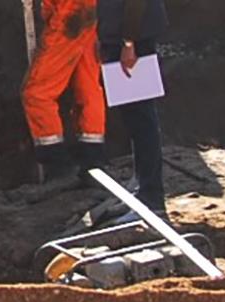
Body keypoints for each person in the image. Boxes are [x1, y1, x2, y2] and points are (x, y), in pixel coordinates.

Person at [97, 0, 169, 216]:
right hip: (121, 37)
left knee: (141, 119)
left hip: (132, 40)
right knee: (134, 119)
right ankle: (144, 191)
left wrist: (129, 42)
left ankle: (151, 198)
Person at [23, 0, 106, 180]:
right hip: (87, 11)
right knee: (87, 87)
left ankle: (57, 163)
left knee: (37, 93)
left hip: (68, 13)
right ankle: (92, 158)